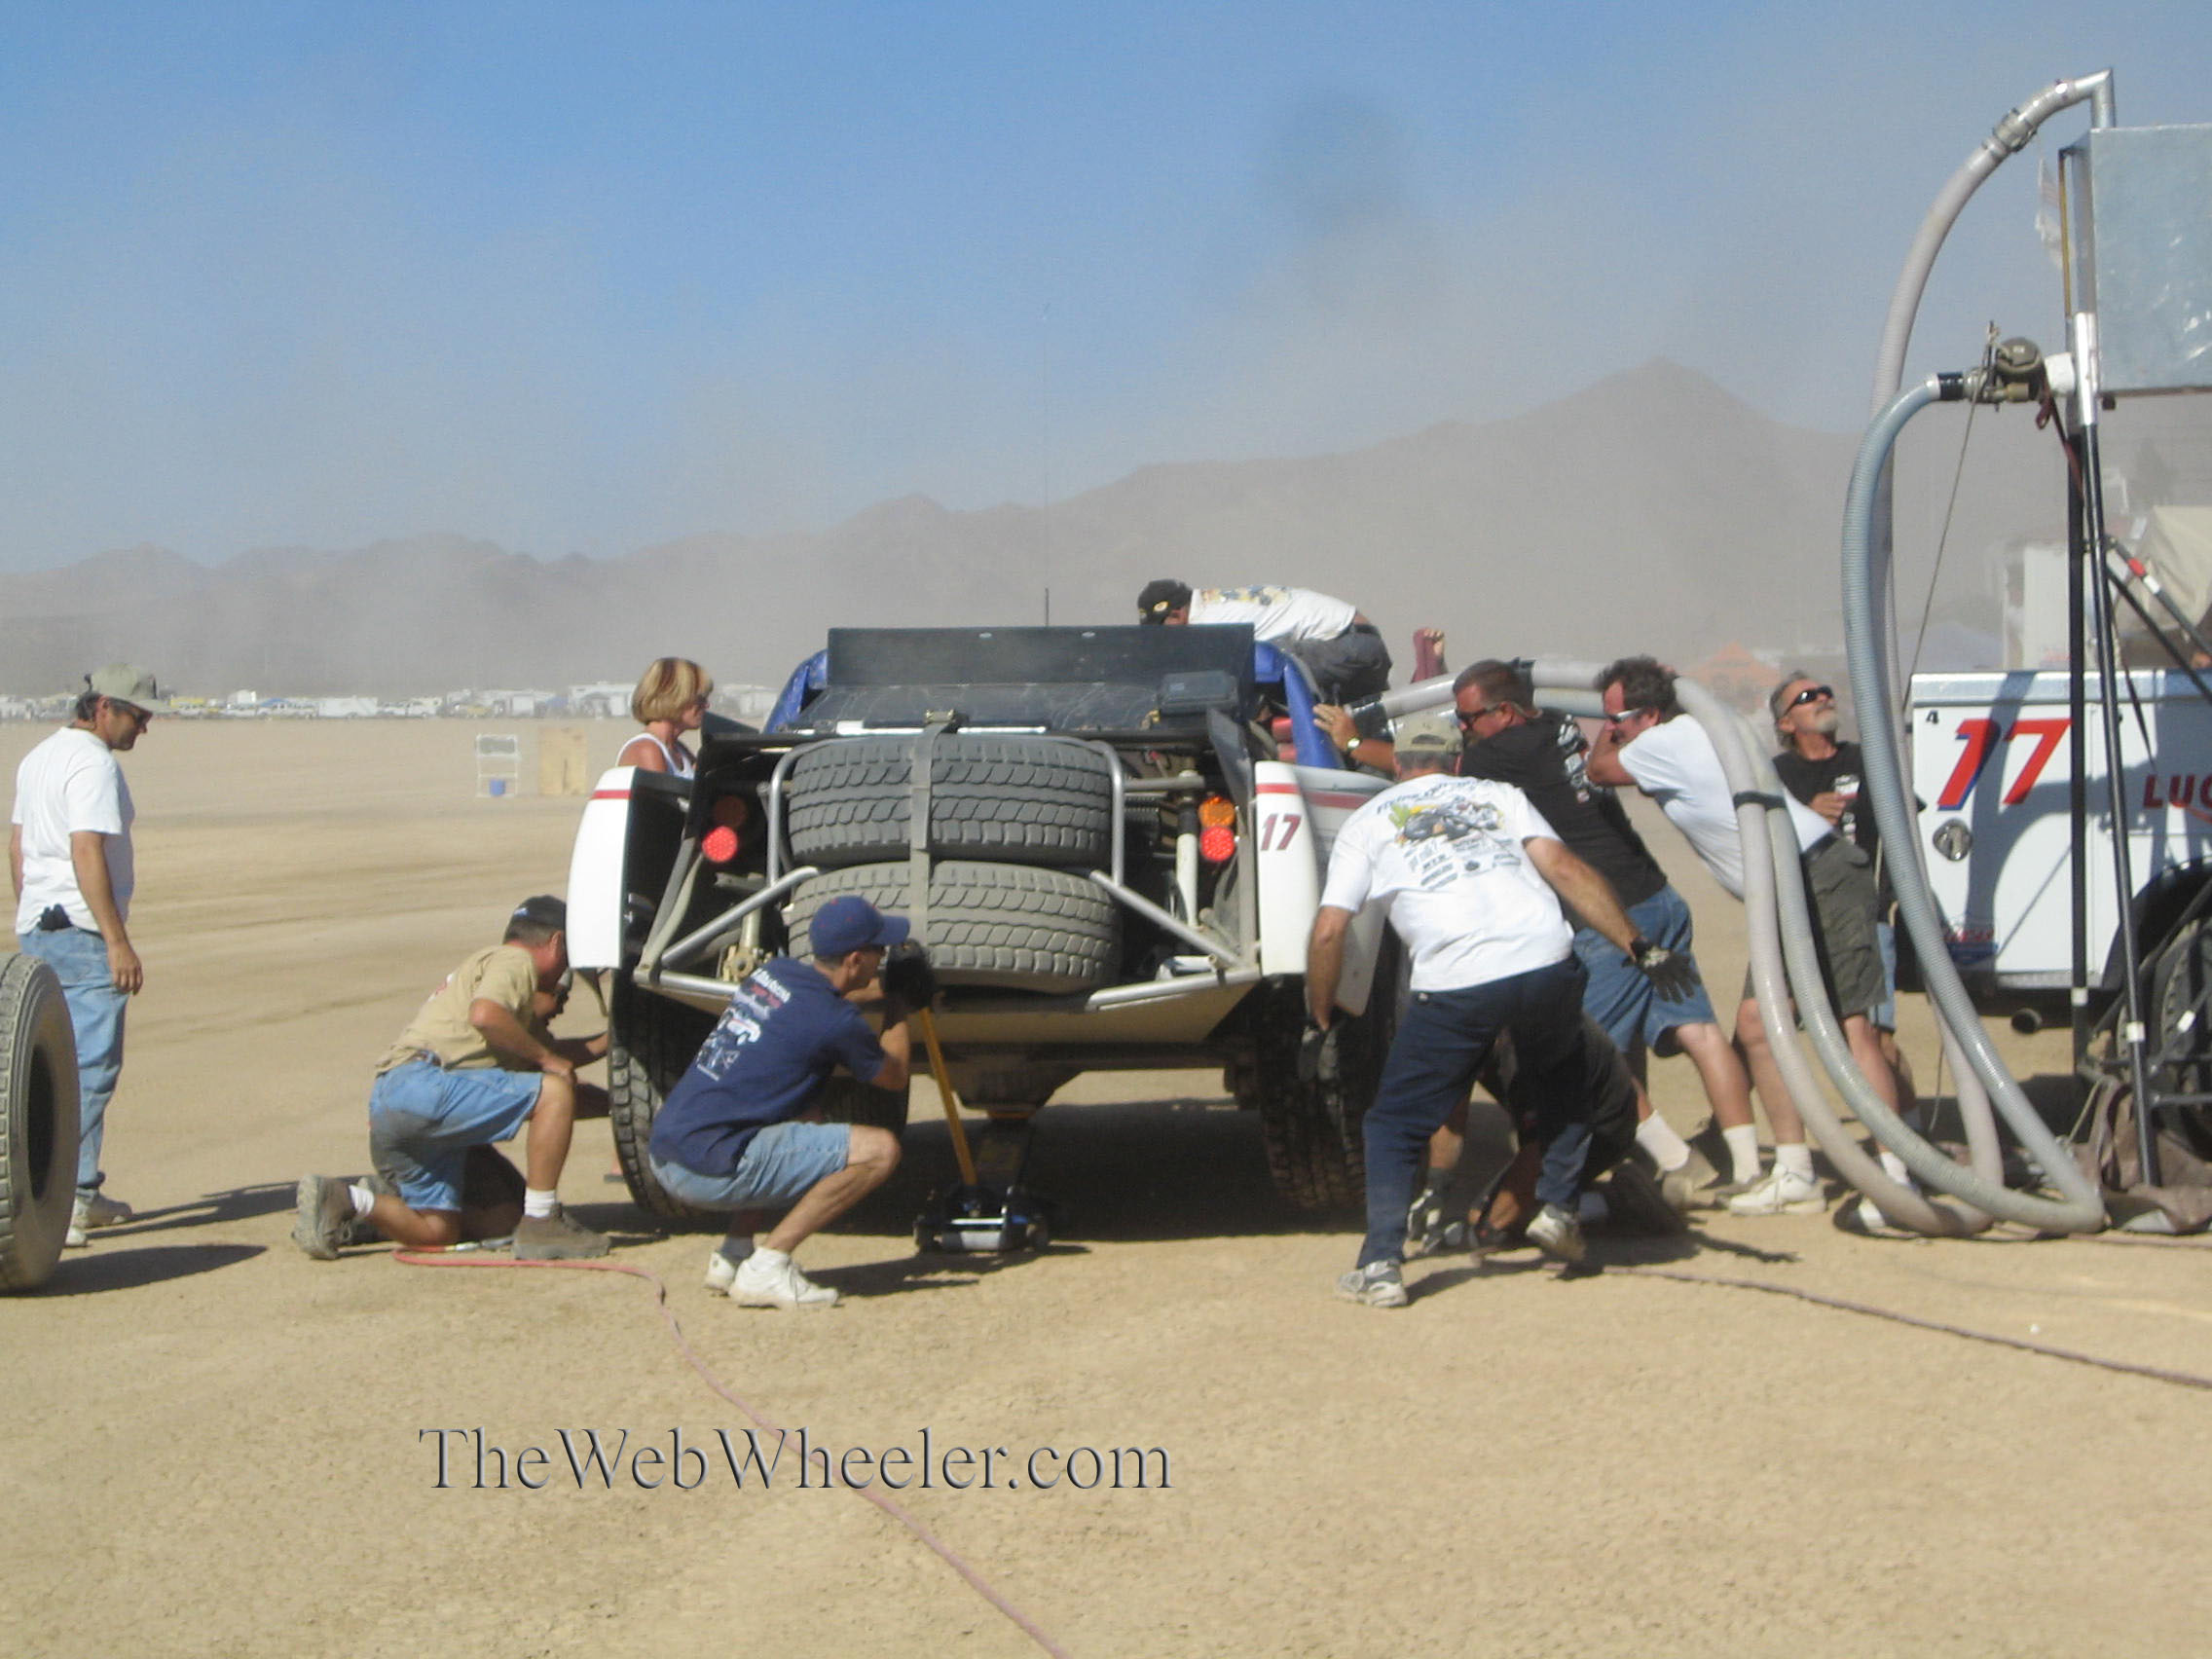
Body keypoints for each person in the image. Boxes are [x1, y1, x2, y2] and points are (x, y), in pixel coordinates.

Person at [1308, 725, 1699, 1308]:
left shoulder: (1367, 822)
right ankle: (1559, 1208)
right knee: (1562, 1083)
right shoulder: (1498, 796)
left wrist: (1320, 1015)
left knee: (1393, 1123)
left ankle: (1381, 1264)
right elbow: (1565, 868)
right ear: (1455, 763)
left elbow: (1329, 930)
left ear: (1397, 765)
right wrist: (1639, 946)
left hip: (1456, 980)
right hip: (1546, 961)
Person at [1588, 656, 1903, 1217]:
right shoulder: (1697, 728)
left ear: (1650, 714)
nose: (1614, 729)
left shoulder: (1665, 741)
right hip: (1785, 889)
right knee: (1758, 1028)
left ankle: (1895, 1180)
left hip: (1817, 875)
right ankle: (1795, 1171)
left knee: (1854, 1029)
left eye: (1619, 718)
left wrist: (1608, 734)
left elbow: (1599, 770)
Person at [1451, 659, 1754, 1203]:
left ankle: (1676, 1161)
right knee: (1698, 1033)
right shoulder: (1558, 722)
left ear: (1505, 712)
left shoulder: (1496, 753)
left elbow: (1427, 772)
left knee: (1587, 1055)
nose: (1463, 727)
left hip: (1609, 916)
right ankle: (1749, 1166)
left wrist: (1353, 743)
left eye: (1469, 718)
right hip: (1657, 895)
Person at [292, 896, 612, 1261]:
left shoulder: (509, 1024)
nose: (561, 1003)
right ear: (556, 943)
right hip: (424, 1086)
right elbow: (489, 1018)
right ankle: (542, 1222)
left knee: (445, 1230)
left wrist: (611, 1058)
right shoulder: (514, 961)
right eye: (563, 986)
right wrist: (548, 1060)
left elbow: (559, 1071)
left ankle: (350, 1200)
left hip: (399, 1106)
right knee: (553, 1091)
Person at [644, 896, 919, 1309]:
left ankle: (734, 1255)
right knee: (879, 1151)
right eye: (878, 951)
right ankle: (768, 1267)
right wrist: (901, 1004)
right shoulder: (836, 1022)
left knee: (807, 1119)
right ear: (856, 959)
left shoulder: (774, 975)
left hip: (669, 1148)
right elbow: (894, 1076)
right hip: (704, 1170)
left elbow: (822, 1004)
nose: (882, 958)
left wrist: (882, 988)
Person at [9, 664, 170, 1247]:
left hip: (41, 928)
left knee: (45, 1067)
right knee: (88, 1071)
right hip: (82, 931)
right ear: (103, 708)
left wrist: (30, 913)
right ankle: (70, 1201)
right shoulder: (95, 764)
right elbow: (86, 850)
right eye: (137, 715)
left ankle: (76, 1190)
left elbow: (19, 847)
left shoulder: (39, 757)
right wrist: (115, 940)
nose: (143, 727)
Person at [1136, 579, 1392, 703]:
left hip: (1347, 643)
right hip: (1356, 640)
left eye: (1162, 630)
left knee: (1260, 665)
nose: (1164, 639)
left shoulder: (1208, 622)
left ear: (1176, 614)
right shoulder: (1211, 603)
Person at [617, 657, 713, 777]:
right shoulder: (647, 749)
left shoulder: (679, 750)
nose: (706, 705)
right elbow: (663, 790)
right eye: (700, 698)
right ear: (676, 697)